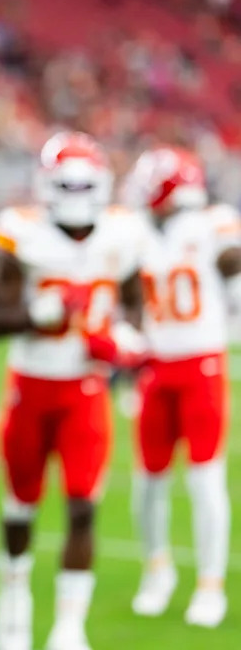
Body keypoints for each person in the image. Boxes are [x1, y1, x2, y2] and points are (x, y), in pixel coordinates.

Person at [0, 131, 147, 650]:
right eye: (68, 182)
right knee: (20, 507)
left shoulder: (121, 235)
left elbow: (132, 303)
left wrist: (126, 338)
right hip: (31, 386)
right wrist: (45, 312)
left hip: (85, 390)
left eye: (85, 182)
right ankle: (14, 599)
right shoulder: (21, 232)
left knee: (83, 506)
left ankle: (68, 625)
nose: (76, 192)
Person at [123, 146, 241, 628]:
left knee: (205, 478)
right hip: (154, 367)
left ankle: (211, 583)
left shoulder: (214, 223)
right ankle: (157, 569)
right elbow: (129, 298)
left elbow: (234, 273)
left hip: (201, 366)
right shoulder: (138, 234)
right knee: (147, 481)